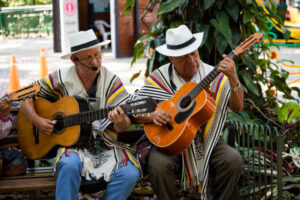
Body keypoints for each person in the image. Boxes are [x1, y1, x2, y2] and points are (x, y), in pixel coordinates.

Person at [20, 29, 140, 200]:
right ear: (74, 60)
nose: (96, 62)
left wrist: (121, 121)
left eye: (98, 55)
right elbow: (25, 95)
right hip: (72, 148)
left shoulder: (112, 82)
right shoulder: (61, 78)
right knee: (68, 164)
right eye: (88, 58)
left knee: (130, 172)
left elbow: (124, 124)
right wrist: (37, 120)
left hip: (104, 148)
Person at [135, 25, 244, 200]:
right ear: (171, 57)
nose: (192, 61)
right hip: (171, 142)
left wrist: (233, 77)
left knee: (232, 160)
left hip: (208, 138)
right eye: (184, 58)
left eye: (194, 54)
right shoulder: (158, 78)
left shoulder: (213, 74)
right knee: (158, 165)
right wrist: (152, 116)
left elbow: (238, 108)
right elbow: (135, 110)